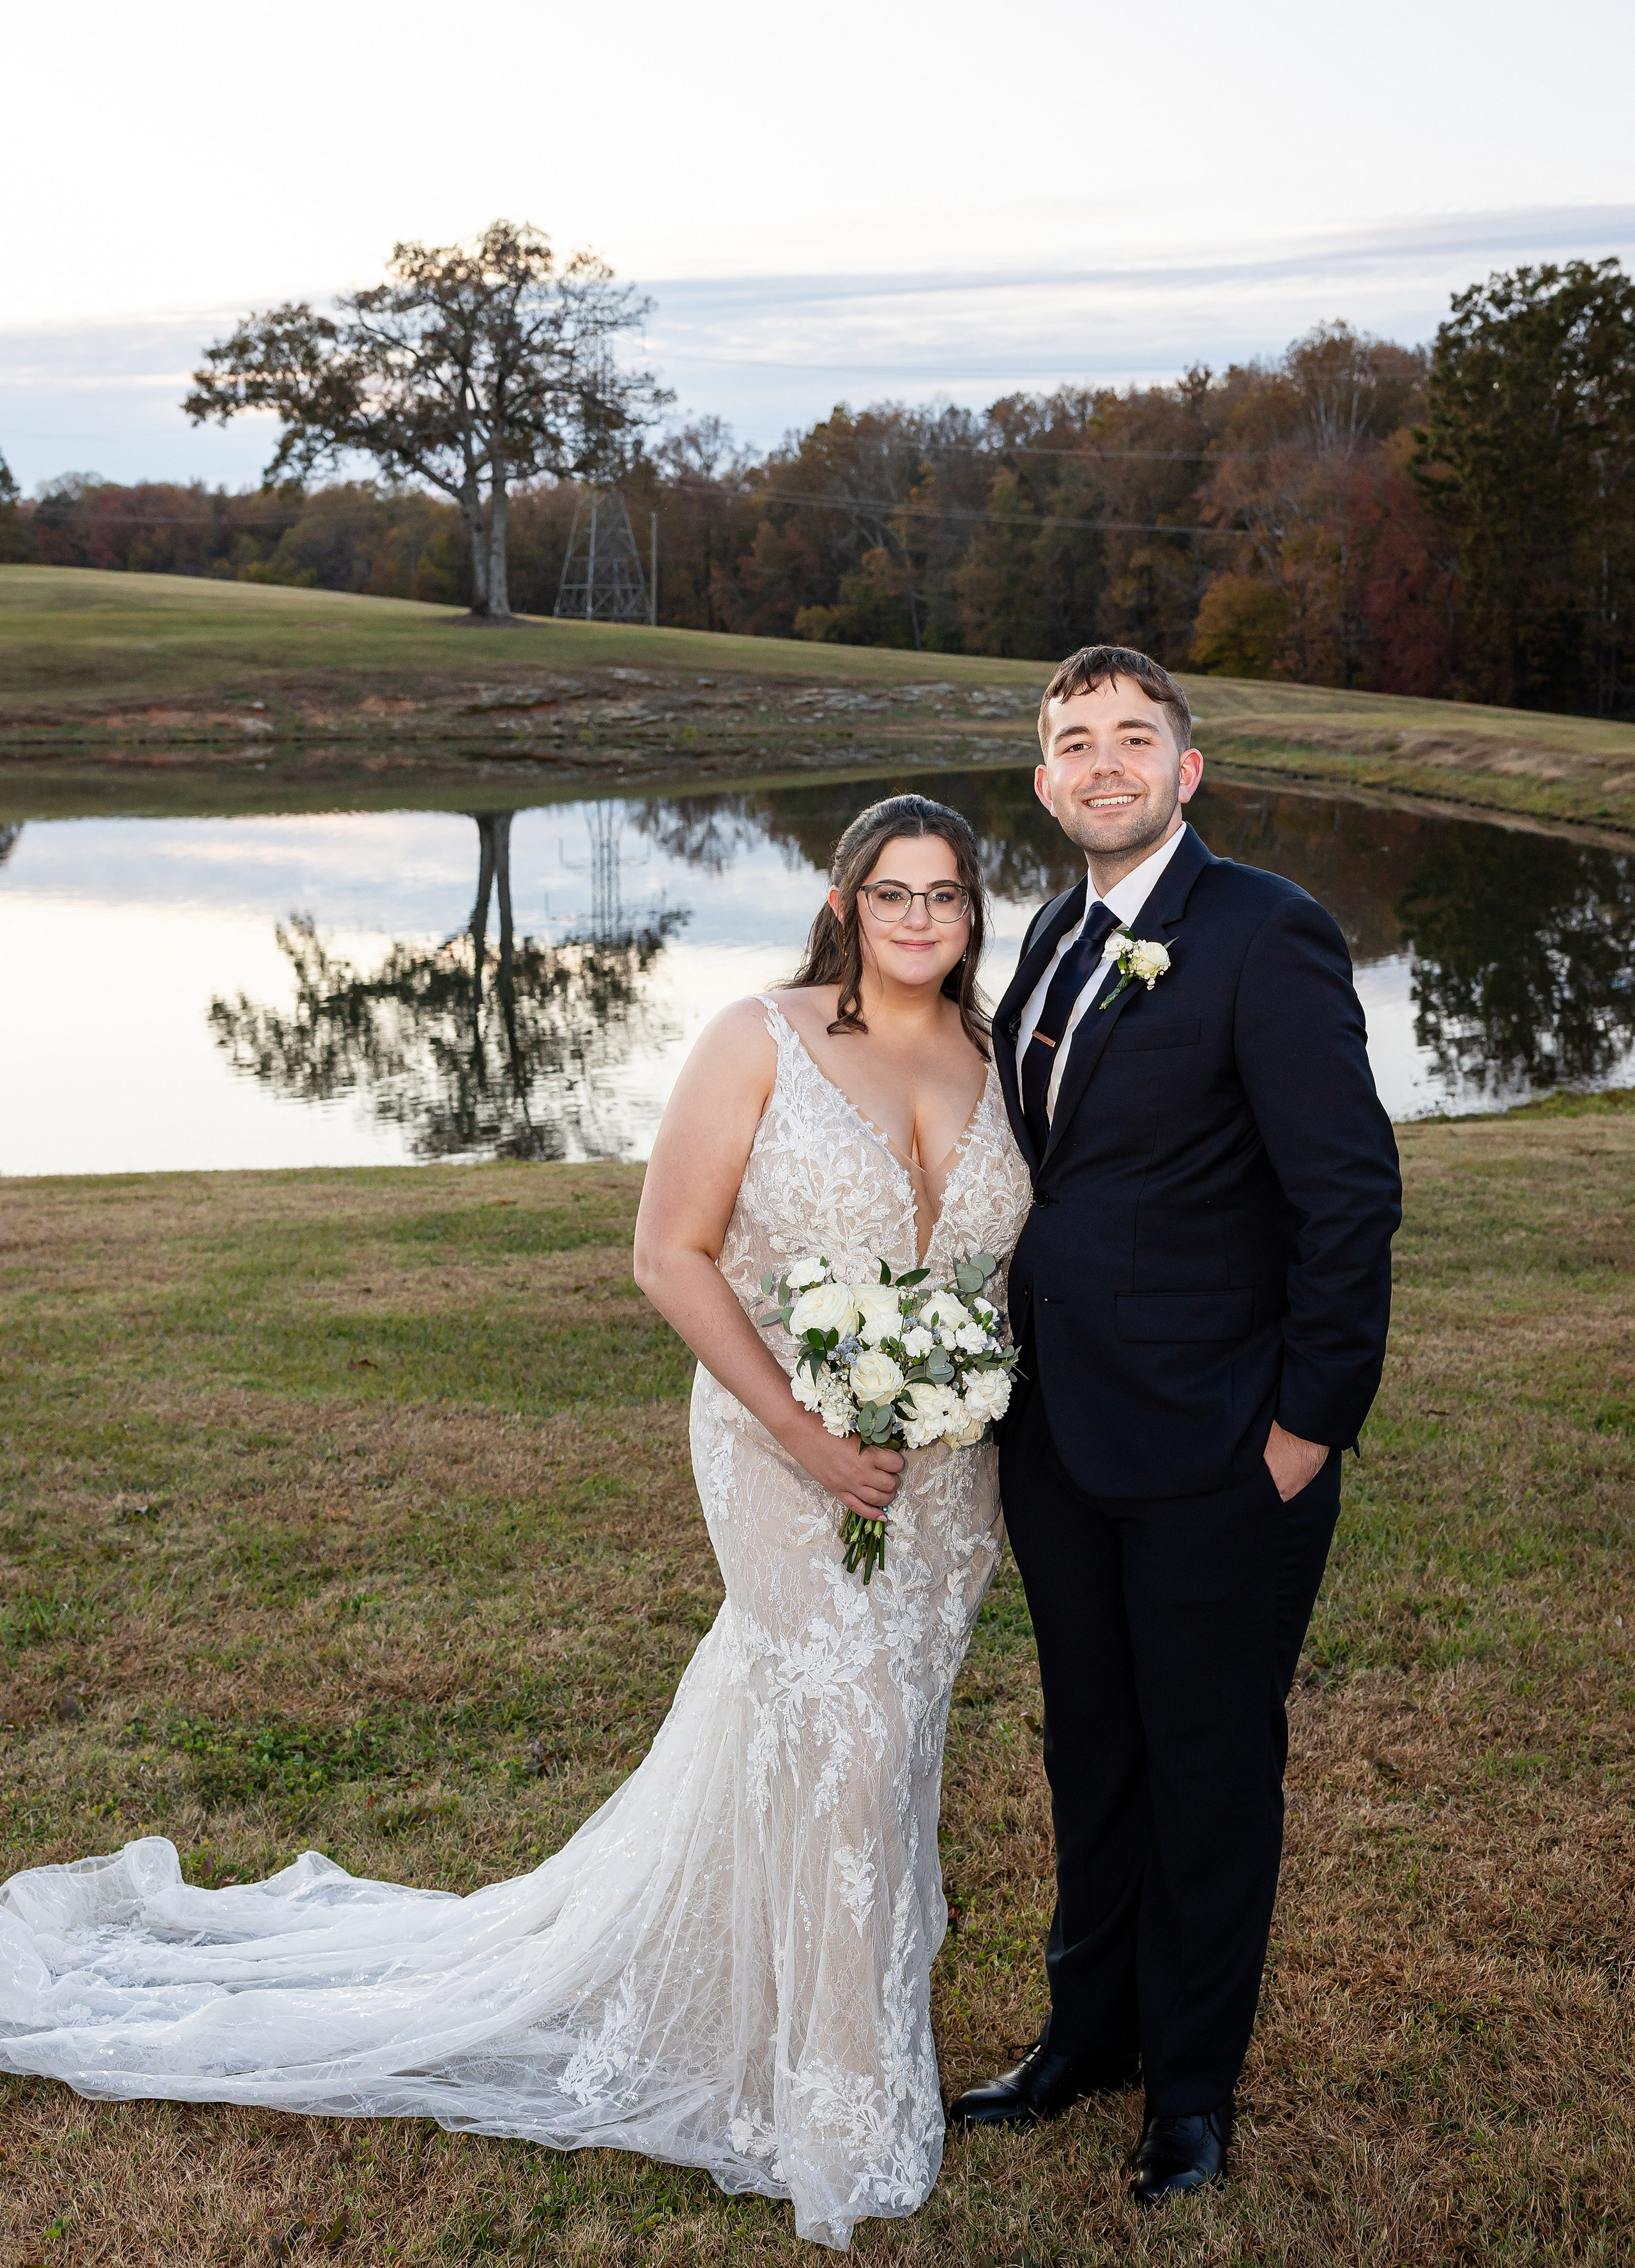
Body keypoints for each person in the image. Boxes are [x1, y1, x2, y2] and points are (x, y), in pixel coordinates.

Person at [0, 794, 1032, 2257]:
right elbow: (668, 1257)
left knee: (881, 1746)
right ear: (843, 901)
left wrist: (948, 1398)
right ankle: (839, 2109)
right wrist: (807, 1434)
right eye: (893, 894)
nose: (920, 920)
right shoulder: (758, 1037)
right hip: (775, 1446)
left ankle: (787, 2019)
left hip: (942, 1481)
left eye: (946, 896)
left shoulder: (1001, 1059)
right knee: (846, 1738)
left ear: (974, 913)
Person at [947, 646, 1402, 2207]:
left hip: (1221, 1448)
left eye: (1132, 738)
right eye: (1072, 742)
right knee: (1095, 1753)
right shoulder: (1055, 937)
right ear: (1042, 779)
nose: (1102, 765)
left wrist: (1303, 1430)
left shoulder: (1263, 931)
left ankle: (1190, 2093)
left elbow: (1346, 1197)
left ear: (1185, 770)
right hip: (1063, 1443)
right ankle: (1087, 2036)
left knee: (1209, 1770)